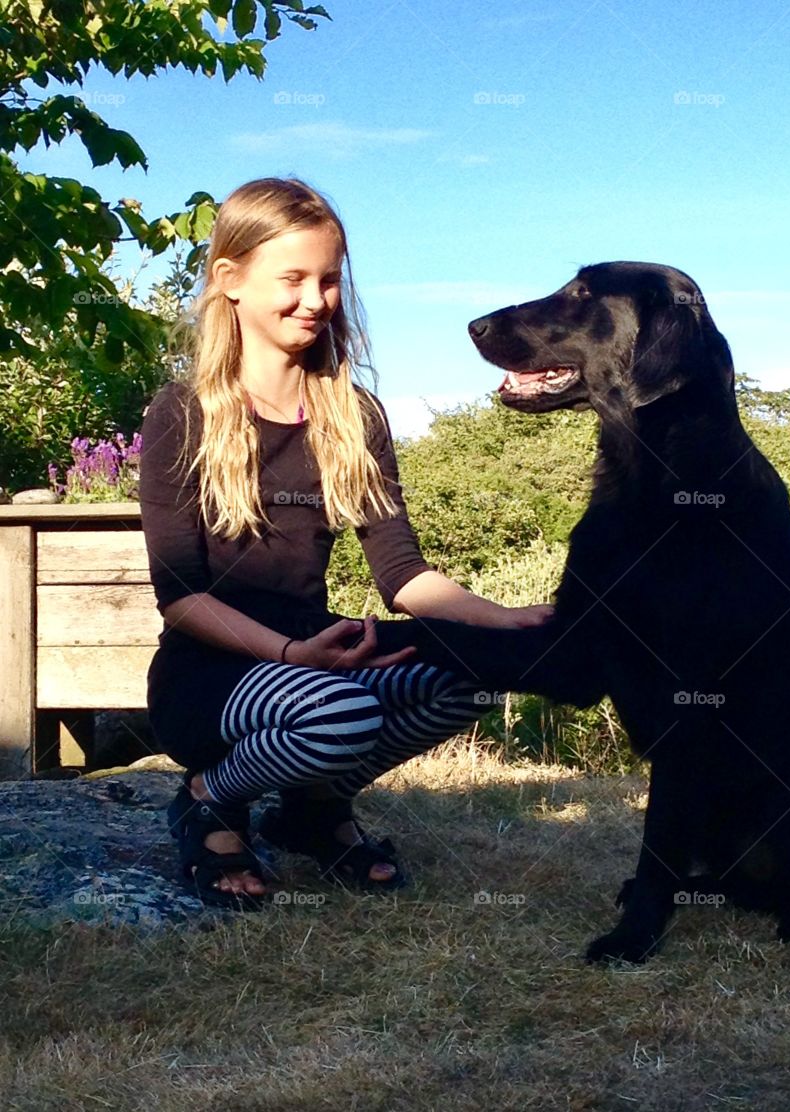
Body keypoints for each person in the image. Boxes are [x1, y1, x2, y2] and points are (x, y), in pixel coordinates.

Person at [140, 177, 552, 909]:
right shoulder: (182, 413)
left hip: (319, 652)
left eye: (328, 279)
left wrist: (504, 621)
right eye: (292, 278)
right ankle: (208, 796)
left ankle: (313, 808)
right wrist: (293, 656)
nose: (315, 299)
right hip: (211, 674)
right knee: (342, 713)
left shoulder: (353, 414)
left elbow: (401, 573)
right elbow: (180, 597)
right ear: (230, 281)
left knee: (482, 670)